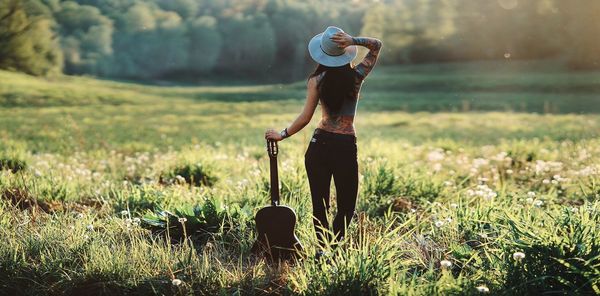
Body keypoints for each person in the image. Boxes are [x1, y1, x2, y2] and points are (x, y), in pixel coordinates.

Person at [265, 26, 382, 255]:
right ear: (345, 52)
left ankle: (322, 249)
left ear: (322, 54)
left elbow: (305, 117)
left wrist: (283, 134)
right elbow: (377, 45)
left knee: (320, 204)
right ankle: (334, 249)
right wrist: (353, 40)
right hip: (345, 146)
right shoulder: (356, 77)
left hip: (319, 145)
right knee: (347, 206)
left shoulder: (316, 80)